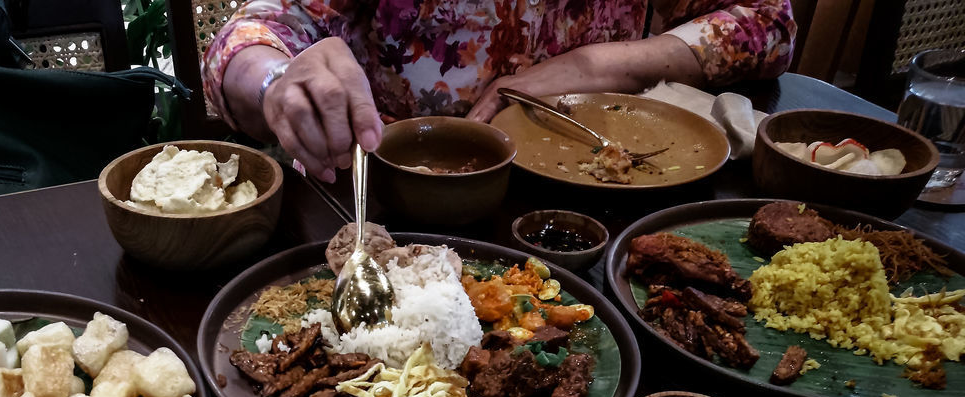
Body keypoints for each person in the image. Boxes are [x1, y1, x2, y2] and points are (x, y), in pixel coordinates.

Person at [202, 1, 795, 182]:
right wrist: (278, 79)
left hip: (603, 185)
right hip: (398, 194)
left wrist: (597, 64)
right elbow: (252, 33)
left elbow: (770, 23)